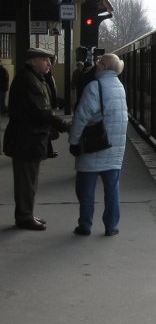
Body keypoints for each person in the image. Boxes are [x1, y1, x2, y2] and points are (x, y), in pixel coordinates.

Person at [2, 47, 70, 231]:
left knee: (29, 179)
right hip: (26, 138)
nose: (49, 64)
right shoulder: (29, 81)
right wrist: (65, 126)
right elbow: (42, 112)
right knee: (26, 181)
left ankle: (27, 213)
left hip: (29, 138)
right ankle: (24, 217)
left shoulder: (33, 78)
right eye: (45, 60)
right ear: (34, 61)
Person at [68, 53, 128, 236]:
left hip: (93, 146)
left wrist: (74, 141)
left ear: (102, 67)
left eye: (98, 63)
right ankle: (111, 226)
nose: (96, 66)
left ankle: (85, 225)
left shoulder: (94, 87)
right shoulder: (120, 87)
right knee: (112, 189)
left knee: (85, 190)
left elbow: (81, 117)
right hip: (114, 146)